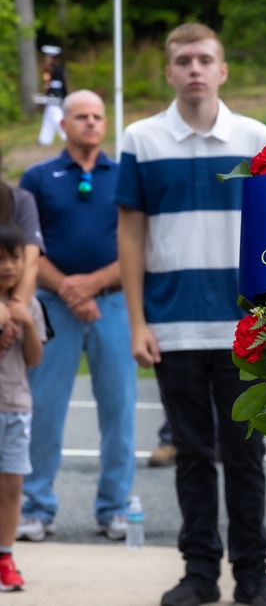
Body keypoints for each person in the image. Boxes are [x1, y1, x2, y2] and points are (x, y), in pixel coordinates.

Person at [115, 23, 266, 606]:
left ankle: (252, 573)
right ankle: (198, 573)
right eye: (183, 59)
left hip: (245, 329)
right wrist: (138, 322)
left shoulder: (256, 135)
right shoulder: (140, 140)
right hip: (172, 326)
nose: (194, 68)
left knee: (244, 457)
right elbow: (131, 232)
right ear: (168, 72)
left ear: (222, 71)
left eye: (204, 59)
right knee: (191, 458)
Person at [16, 90, 137, 545]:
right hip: (52, 308)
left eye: (97, 116)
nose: (90, 122)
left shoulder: (124, 175)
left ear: (106, 124)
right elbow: (25, 245)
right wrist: (69, 287)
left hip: (112, 304)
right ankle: (34, 506)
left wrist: (92, 284)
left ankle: (115, 507)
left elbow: (138, 244)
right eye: (80, 116)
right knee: (43, 409)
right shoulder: (39, 177)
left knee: (120, 410)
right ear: (63, 125)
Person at [0, 223, 46, 591]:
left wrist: (27, 324)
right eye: (0, 260)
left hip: (16, 408)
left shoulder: (30, 305)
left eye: (14, 258)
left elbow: (33, 359)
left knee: (13, 484)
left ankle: (6, 555)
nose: (8, 267)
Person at [37, 45, 68, 146]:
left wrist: (47, 94)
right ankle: (45, 139)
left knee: (56, 116)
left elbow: (47, 84)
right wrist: (64, 96)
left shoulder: (48, 70)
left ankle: (67, 135)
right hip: (58, 94)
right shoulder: (59, 69)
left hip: (52, 95)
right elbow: (63, 84)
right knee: (48, 118)